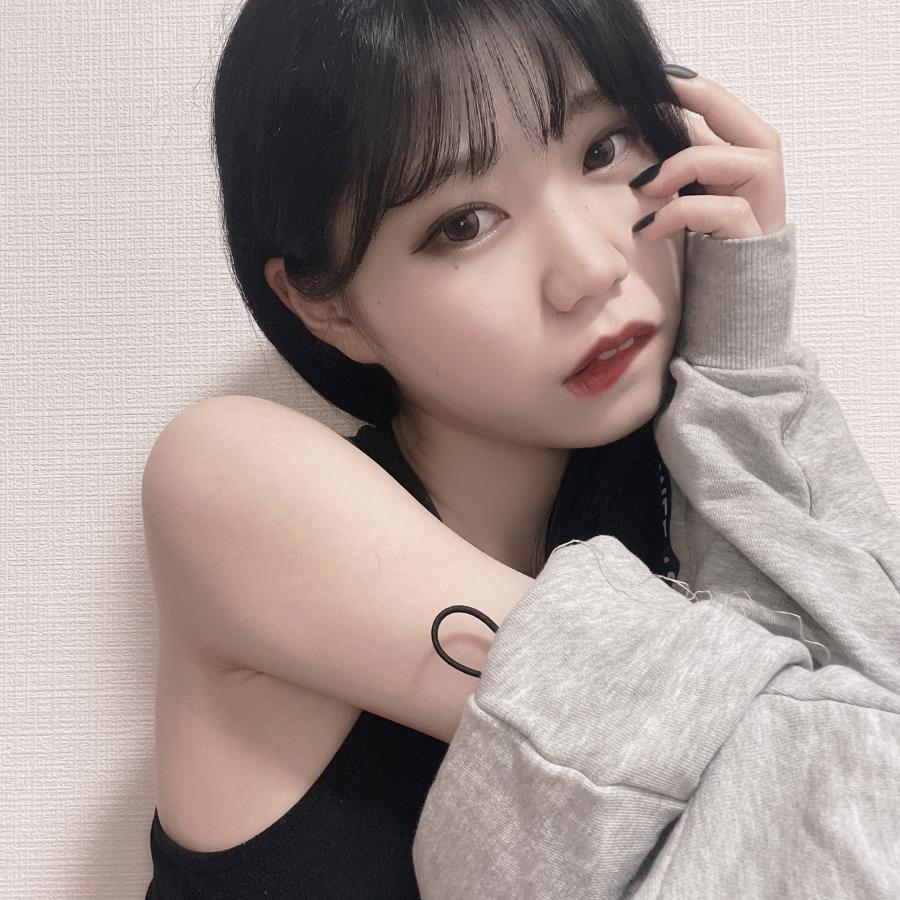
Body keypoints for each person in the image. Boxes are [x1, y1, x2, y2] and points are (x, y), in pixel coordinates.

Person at [141, 0, 899, 897]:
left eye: (603, 149)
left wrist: (745, 361)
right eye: (464, 224)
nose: (590, 270)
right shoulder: (229, 485)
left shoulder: (688, 500)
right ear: (327, 306)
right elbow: (840, 791)